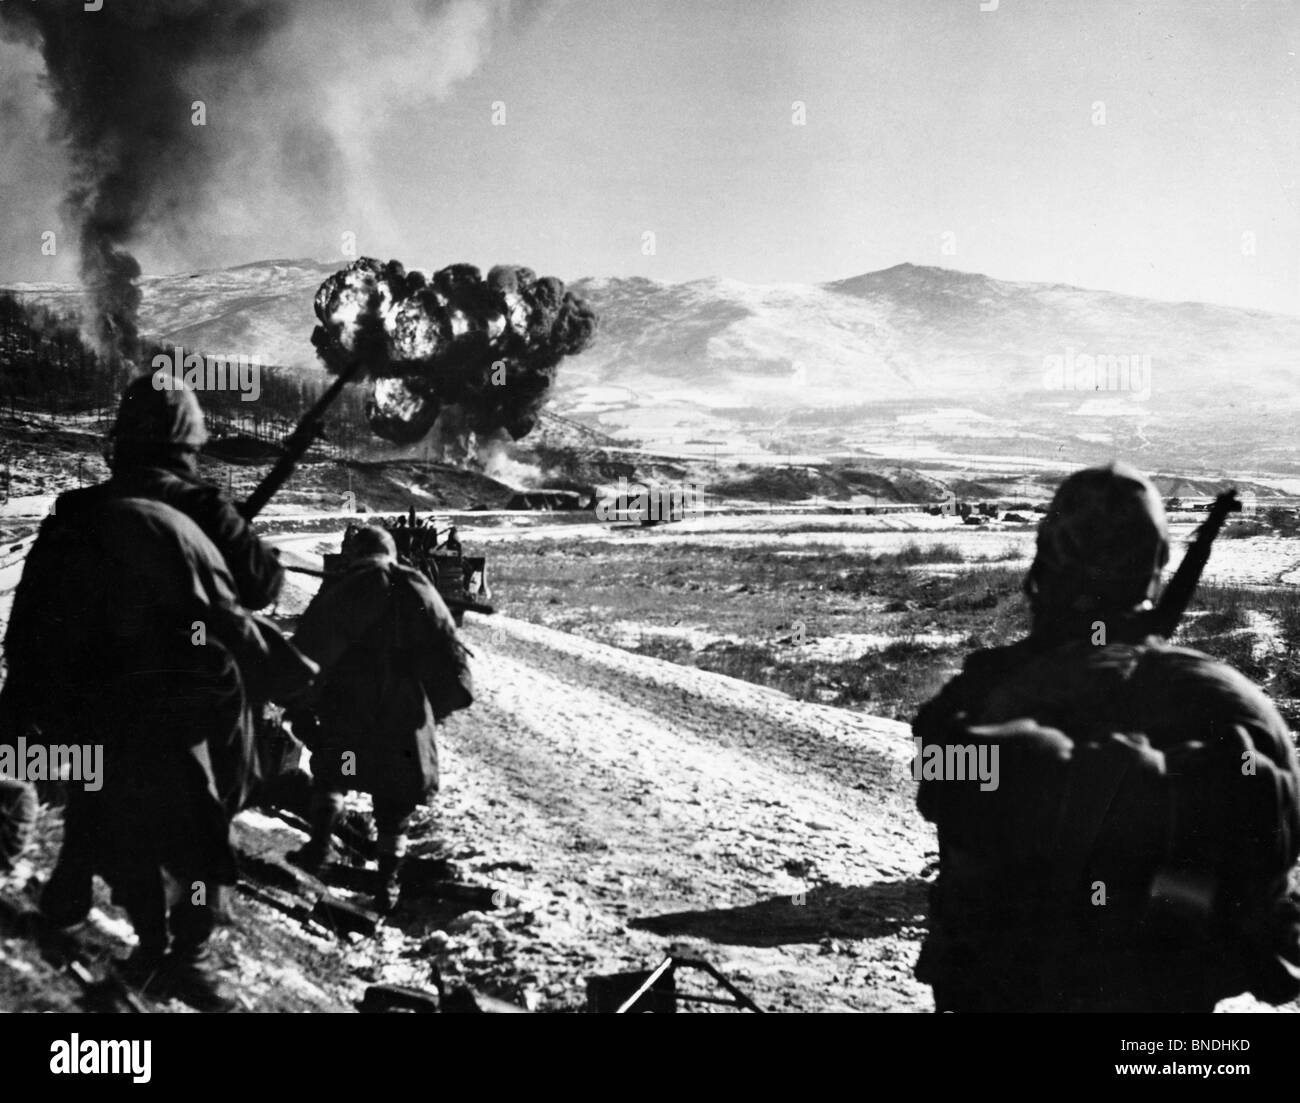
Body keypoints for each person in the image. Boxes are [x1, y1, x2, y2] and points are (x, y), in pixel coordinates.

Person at [913, 462, 1300, 1012]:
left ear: (1044, 563)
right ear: (1156, 566)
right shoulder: (1236, 706)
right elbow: (1268, 905)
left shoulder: (976, 698)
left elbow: (937, 794)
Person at [288, 524, 471, 913]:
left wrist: (300, 702)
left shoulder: (346, 587)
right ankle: (387, 883)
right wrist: (436, 709)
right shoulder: (418, 586)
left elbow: (313, 645)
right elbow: (449, 652)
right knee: (395, 800)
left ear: (357, 553)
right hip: (402, 710)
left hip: (349, 704)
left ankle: (319, 848)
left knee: (337, 770)